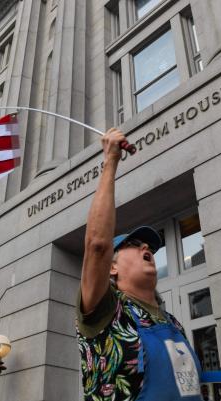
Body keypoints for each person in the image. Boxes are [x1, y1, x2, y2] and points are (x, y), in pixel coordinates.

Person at [76, 128, 203, 401]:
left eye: (148, 246)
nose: (146, 247)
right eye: (133, 245)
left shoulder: (174, 324)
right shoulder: (106, 311)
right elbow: (97, 246)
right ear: (112, 267)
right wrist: (110, 162)